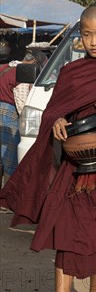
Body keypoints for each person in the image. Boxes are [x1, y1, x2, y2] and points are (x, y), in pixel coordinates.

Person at [0, 6, 96, 292]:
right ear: (79, 37)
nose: (93, 41)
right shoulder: (71, 72)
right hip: (74, 166)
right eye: (87, 35)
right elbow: (54, 113)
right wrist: (58, 122)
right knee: (66, 236)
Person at [0, 52, 42, 193]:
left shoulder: (6, 66)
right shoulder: (23, 73)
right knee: (9, 156)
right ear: (34, 63)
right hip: (8, 112)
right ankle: (8, 195)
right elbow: (22, 103)